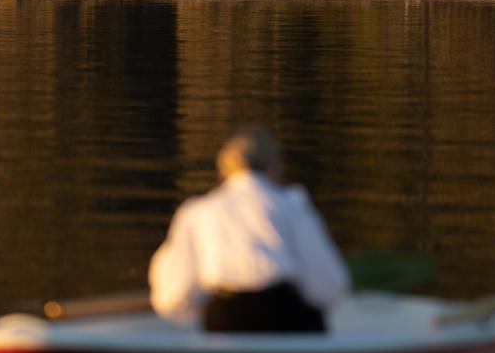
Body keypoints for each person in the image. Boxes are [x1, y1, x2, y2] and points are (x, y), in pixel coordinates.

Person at [148, 128, 349, 333]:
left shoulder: (199, 210)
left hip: (225, 319)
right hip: (284, 316)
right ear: (274, 166)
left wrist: (189, 314)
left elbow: (175, 293)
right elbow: (328, 282)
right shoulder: (292, 204)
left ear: (223, 168)